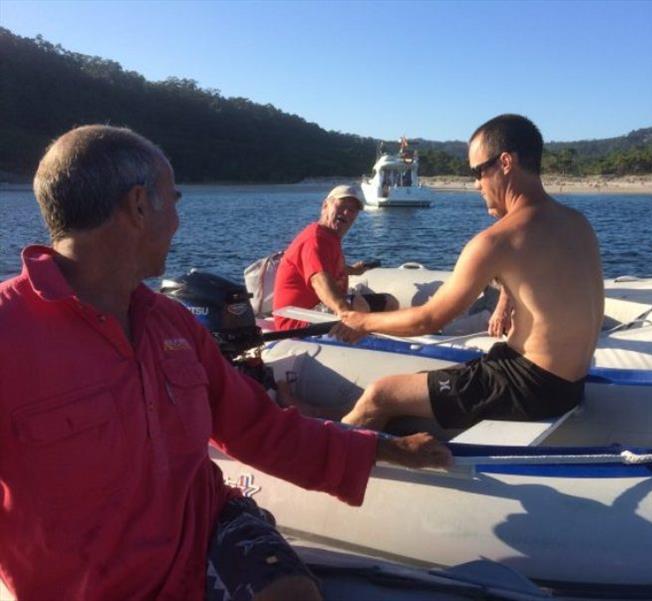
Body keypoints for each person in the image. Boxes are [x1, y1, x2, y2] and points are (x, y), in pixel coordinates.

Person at [0, 125, 452, 601]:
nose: (177, 222)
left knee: (294, 593)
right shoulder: (10, 333)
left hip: (203, 529)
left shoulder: (172, 323)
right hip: (85, 583)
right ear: (138, 206)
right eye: (173, 200)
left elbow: (259, 427)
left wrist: (383, 448)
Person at [334, 114, 605, 431]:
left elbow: (429, 319)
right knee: (425, 383)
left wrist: (362, 322)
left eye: (478, 171)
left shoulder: (496, 241)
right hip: (569, 383)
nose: (476, 184)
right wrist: (505, 301)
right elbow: (537, 279)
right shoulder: (577, 223)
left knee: (380, 394)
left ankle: (326, 456)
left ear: (505, 162)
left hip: (530, 386)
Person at [271, 184, 398, 331]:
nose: (346, 213)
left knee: (389, 302)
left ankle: (383, 344)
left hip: (315, 311)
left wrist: (353, 270)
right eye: (342, 205)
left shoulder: (330, 238)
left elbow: (327, 267)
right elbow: (319, 280)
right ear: (325, 206)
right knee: (358, 304)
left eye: (352, 210)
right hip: (297, 321)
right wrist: (347, 313)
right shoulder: (314, 239)